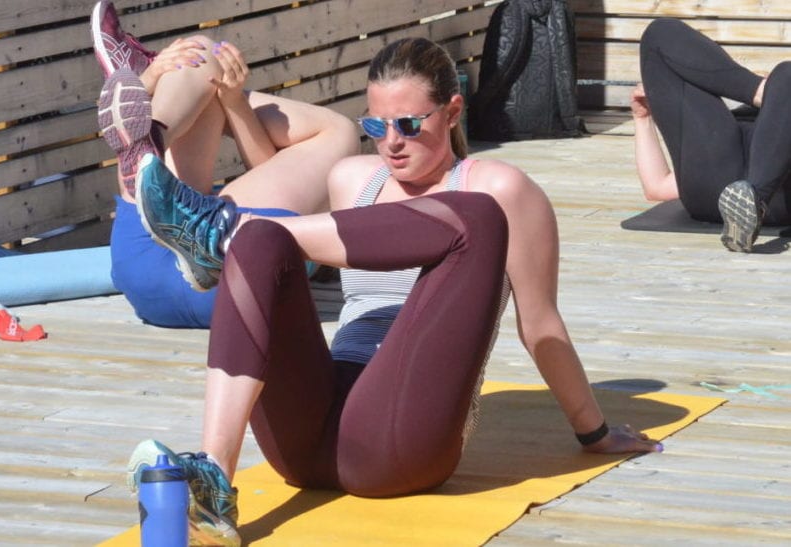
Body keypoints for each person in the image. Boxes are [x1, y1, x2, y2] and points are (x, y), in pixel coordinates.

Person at [121, 37, 663, 545]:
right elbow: (270, 165)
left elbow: (540, 325)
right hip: (305, 441)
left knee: (474, 217)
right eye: (375, 126)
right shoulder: (352, 179)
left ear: (452, 113)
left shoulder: (498, 188)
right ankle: (216, 479)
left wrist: (593, 434)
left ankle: (224, 233)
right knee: (260, 244)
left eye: (408, 123)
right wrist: (187, 85)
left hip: (397, 445)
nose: (392, 143)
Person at [90, 0, 358, 327]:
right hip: (234, 280)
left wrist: (221, 96)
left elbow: (267, 169)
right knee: (340, 131)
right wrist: (230, 100)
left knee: (204, 56)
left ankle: (151, 122)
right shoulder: (357, 185)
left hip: (143, 273)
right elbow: (266, 169)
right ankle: (153, 115)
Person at [632, 17, 791, 252]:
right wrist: (642, 119)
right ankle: (758, 90)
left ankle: (754, 201)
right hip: (720, 189)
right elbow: (657, 188)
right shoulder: (725, 128)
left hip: (775, 194)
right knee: (661, 32)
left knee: (787, 72)